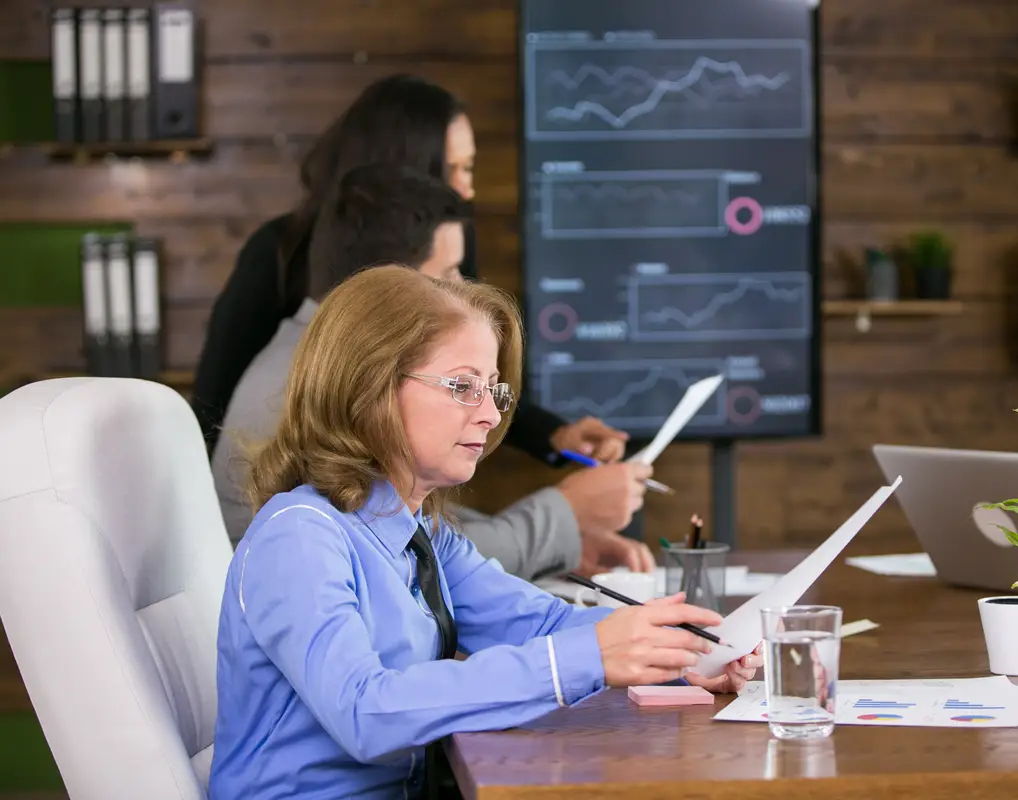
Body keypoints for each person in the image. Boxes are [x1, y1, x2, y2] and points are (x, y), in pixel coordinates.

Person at [206, 265, 760, 800]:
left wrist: (684, 655)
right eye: (463, 386)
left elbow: (542, 623)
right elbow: (365, 712)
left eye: (493, 390)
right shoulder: (299, 537)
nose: (491, 416)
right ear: (369, 388)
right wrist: (589, 655)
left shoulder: (418, 532)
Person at [190, 72, 652, 574]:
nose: (460, 292)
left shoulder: (326, 343)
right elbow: (407, 552)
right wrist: (562, 514)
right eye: (448, 275)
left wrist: (562, 537)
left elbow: (413, 527)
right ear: (392, 279)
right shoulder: (326, 378)